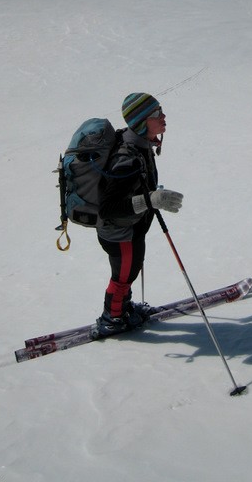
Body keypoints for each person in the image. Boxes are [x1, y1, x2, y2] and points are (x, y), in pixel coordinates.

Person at [95, 92, 184, 337]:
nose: (163, 116)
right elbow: (109, 208)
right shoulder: (127, 158)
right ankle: (112, 318)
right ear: (142, 122)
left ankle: (122, 307)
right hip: (119, 233)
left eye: (161, 110)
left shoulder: (141, 145)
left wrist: (150, 197)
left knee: (130, 272)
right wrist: (150, 200)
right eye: (157, 114)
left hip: (132, 228)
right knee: (122, 277)